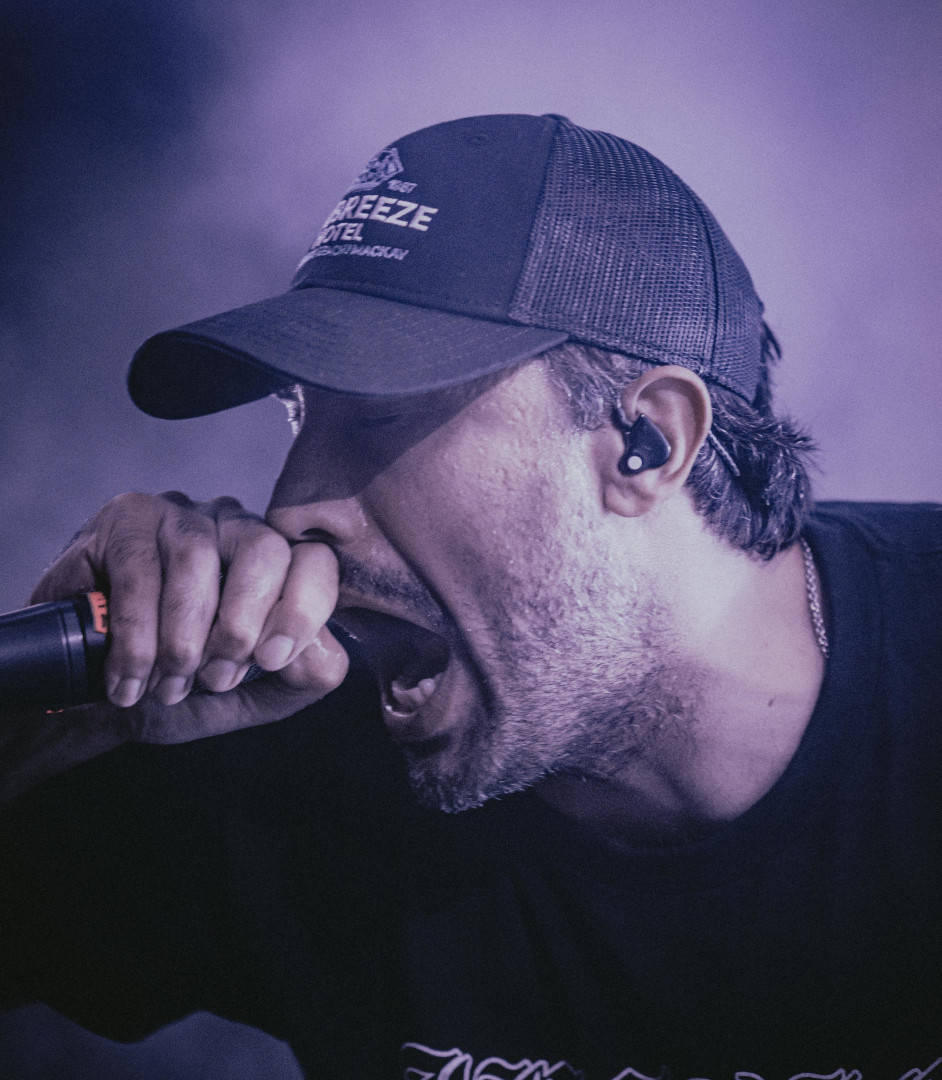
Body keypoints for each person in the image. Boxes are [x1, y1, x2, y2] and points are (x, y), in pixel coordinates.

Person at [1, 113, 940, 1080]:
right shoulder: (277, 757)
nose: (290, 509)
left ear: (648, 442)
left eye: (377, 416)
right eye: (298, 415)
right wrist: (38, 737)